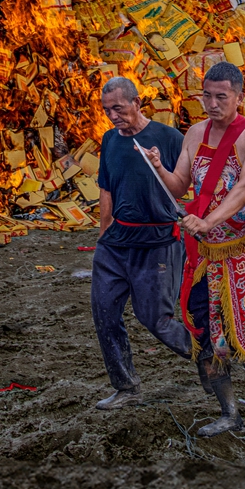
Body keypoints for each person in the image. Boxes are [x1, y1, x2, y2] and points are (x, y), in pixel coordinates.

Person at [137, 63, 245, 435]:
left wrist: (210, 222)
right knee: (203, 326)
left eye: (221, 97)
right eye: (206, 96)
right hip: (201, 248)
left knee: (238, 324)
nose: (211, 104)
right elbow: (180, 186)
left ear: (240, 97)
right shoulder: (195, 133)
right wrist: (159, 168)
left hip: (239, 246)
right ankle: (228, 411)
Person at [85, 77, 193, 409]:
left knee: (156, 319)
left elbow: (188, 183)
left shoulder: (168, 137)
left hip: (158, 242)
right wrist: (104, 235)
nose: (112, 115)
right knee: (104, 312)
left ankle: (209, 354)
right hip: (116, 244)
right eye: (106, 110)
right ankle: (126, 387)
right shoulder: (109, 141)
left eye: (118, 107)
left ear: (137, 103)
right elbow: (106, 188)